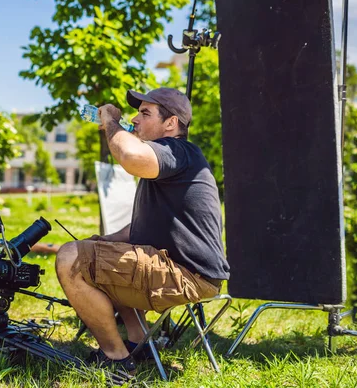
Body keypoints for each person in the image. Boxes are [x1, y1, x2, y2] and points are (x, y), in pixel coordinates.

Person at [55, 87, 230, 373]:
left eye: (145, 113)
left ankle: (117, 359)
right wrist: (103, 242)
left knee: (68, 258)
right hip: (184, 271)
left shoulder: (177, 152)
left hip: (187, 275)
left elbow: (130, 157)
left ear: (171, 123)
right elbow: (141, 227)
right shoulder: (172, 163)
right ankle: (139, 344)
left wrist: (111, 120)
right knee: (103, 253)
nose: (135, 119)